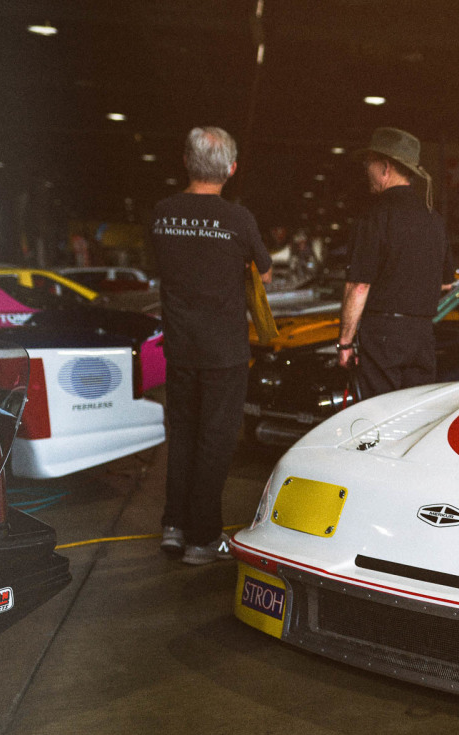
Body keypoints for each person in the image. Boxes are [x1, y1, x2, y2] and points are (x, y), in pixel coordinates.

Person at [150, 126, 271, 565]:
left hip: (180, 348)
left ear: (186, 160)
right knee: (215, 442)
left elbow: (157, 266)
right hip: (224, 351)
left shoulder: (163, 213)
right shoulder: (238, 219)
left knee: (181, 436)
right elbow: (265, 271)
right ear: (231, 169)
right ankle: (202, 540)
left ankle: (173, 526)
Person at [337, 127, 453, 397]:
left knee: (378, 417)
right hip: (423, 336)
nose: (366, 169)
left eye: (369, 163)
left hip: (383, 337)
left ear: (385, 167)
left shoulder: (374, 217)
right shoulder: (434, 219)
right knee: (413, 415)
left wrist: (344, 343)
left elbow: (359, 286)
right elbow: (447, 284)